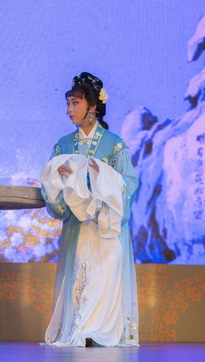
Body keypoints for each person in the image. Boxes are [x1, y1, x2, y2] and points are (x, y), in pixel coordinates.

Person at [40, 72, 139, 347]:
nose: (69, 110)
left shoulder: (114, 144)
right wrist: (59, 180)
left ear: (93, 106)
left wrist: (102, 178)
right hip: (78, 226)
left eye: (75, 103)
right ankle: (79, 329)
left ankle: (102, 332)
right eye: (68, 104)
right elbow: (50, 185)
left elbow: (129, 183)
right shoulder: (63, 145)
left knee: (105, 276)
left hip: (106, 228)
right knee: (80, 278)